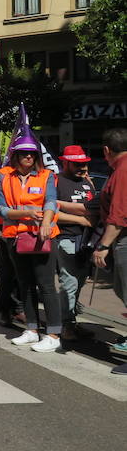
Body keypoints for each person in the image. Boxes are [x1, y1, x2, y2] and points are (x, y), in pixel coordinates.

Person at [0, 135, 62, 353]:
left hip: (42, 237)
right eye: (24, 153)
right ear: (15, 156)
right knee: (24, 284)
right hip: (16, 237)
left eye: (32, 153)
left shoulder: (47, 176)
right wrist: (27, 213)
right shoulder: (6, 178)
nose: (28, 156)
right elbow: (2, 210)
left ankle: (53, 334)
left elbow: (51, 201)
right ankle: (32, 329)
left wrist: (45, 222)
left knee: (46, 286)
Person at [92, 128, 127, 374]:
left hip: (124, 240)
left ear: (106, 150)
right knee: (119, 287)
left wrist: (103, 246)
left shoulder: (123, 171)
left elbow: (118, 215)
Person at [55, 145, 95, 341]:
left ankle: (71, 320)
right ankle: (66, 325)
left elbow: (95, 207)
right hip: (67, 239)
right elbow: (50, 213)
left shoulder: (87, 183)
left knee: (79, 283)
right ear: (66, 163)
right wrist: (79, 220)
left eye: (85, 164)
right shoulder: (56, 182)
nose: (83, 168)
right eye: (78, 164)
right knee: (69, 283)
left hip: (87, 241)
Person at [0, 158, 23, 327]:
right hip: (3, 230)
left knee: (22, 273)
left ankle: (19, 307)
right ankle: (3, 309)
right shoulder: (2, 175)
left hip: (24, 230)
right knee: (6, 273)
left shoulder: (35, 175)